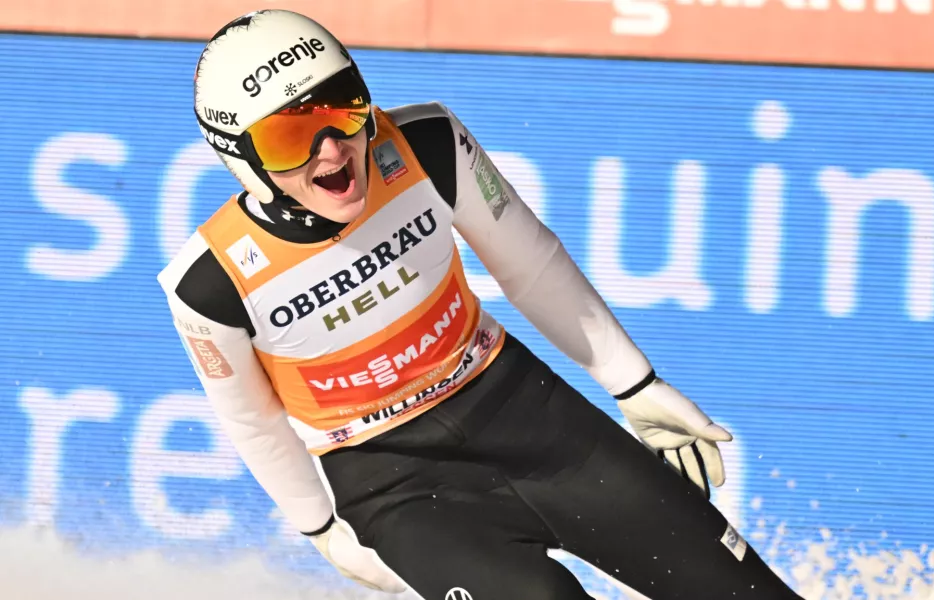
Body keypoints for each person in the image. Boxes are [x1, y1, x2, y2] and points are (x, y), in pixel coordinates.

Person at [158, 9, 803, 600]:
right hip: (398, 488)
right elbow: (253, 421)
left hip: (530, 418)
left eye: (343, 105)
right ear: (239, 158)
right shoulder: (208, 284)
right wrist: (322, 527)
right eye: (290, 136)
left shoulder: (426, 144)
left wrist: (633, 384)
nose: (333, 148)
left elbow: (530, 264)